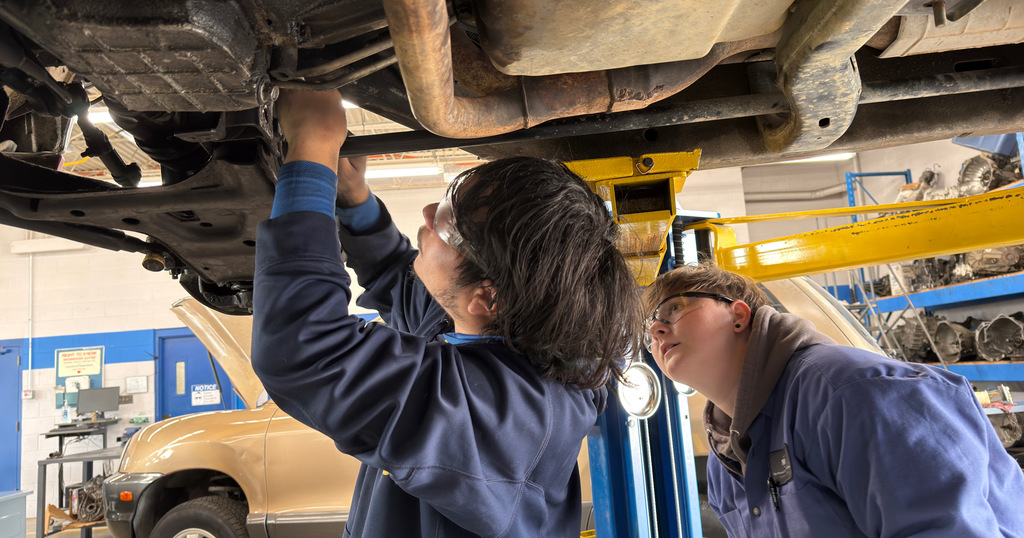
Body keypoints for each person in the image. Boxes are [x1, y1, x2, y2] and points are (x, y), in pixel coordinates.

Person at [249, 89, 643, 537]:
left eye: (446, 223)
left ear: (488, 298)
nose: (426, 212)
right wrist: (354, 199)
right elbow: (403, 287)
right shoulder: (498, 335)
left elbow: (303, 348)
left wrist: (313, 147)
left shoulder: (505, 419)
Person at [643, 262, 1024, 536]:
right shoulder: (726, 458)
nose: (657, 329)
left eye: (674, 308)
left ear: (739, 315)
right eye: (648, 329)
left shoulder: (852, 395)